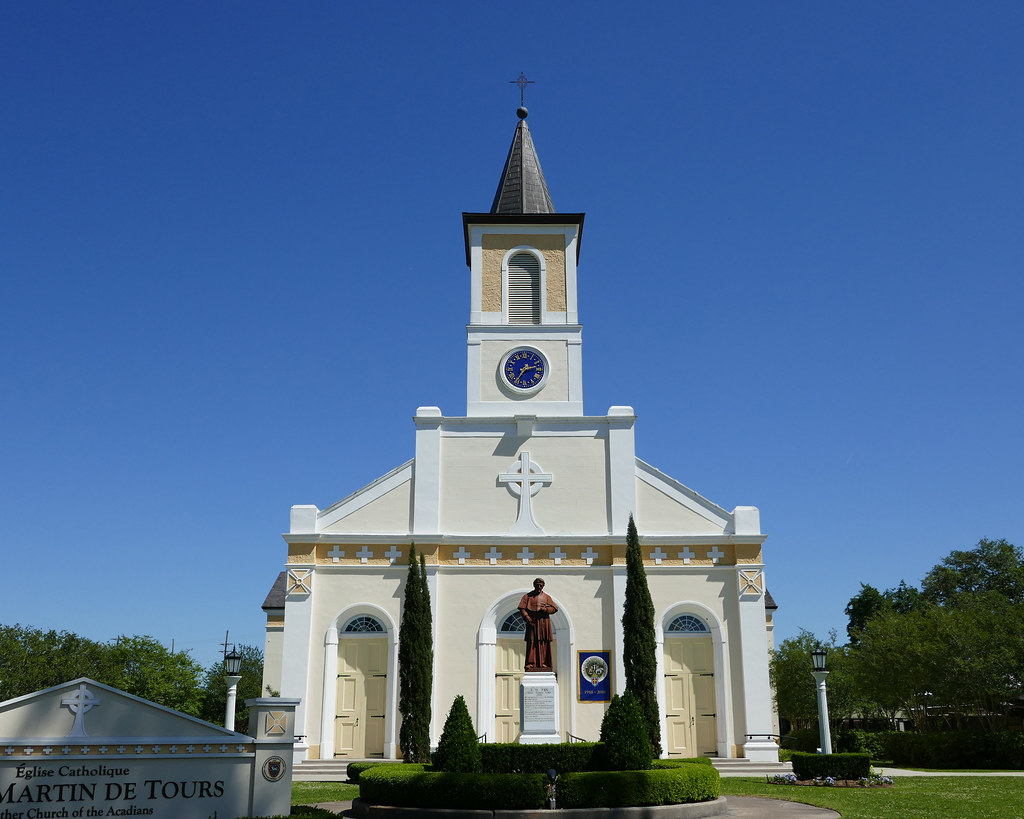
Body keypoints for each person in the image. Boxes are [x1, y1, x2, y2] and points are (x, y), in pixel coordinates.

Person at [519, 578, 558, 671]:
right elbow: (522, 608)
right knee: (532, 642)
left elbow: (554, 608)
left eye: (541, 585)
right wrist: (527, 616)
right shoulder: (527, 596)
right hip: (532, 622)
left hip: (544, 622)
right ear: (534, 585)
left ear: (543, 586)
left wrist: (546, 609)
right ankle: (531, 664)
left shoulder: (547, 597)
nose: (539, 587)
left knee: (543, 642)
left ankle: (545, 663)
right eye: (537, 585)